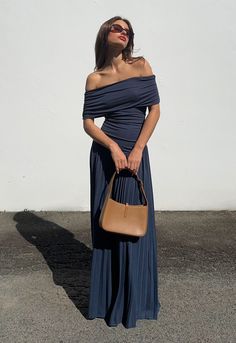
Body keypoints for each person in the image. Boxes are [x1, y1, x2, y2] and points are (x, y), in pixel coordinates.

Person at [82, 15, 161, 329]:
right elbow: (88, 122)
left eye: (128, 30)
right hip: (106, 156)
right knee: (108, 225)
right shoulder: (95, 78)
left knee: (132, 223)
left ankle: (135, 301)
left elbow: (154, 108)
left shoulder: (141, 65)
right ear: (105, 34)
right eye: (117, 28)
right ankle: (106, 300)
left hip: (135, 153)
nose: (124, 33)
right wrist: (113, 148)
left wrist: (138, 148)